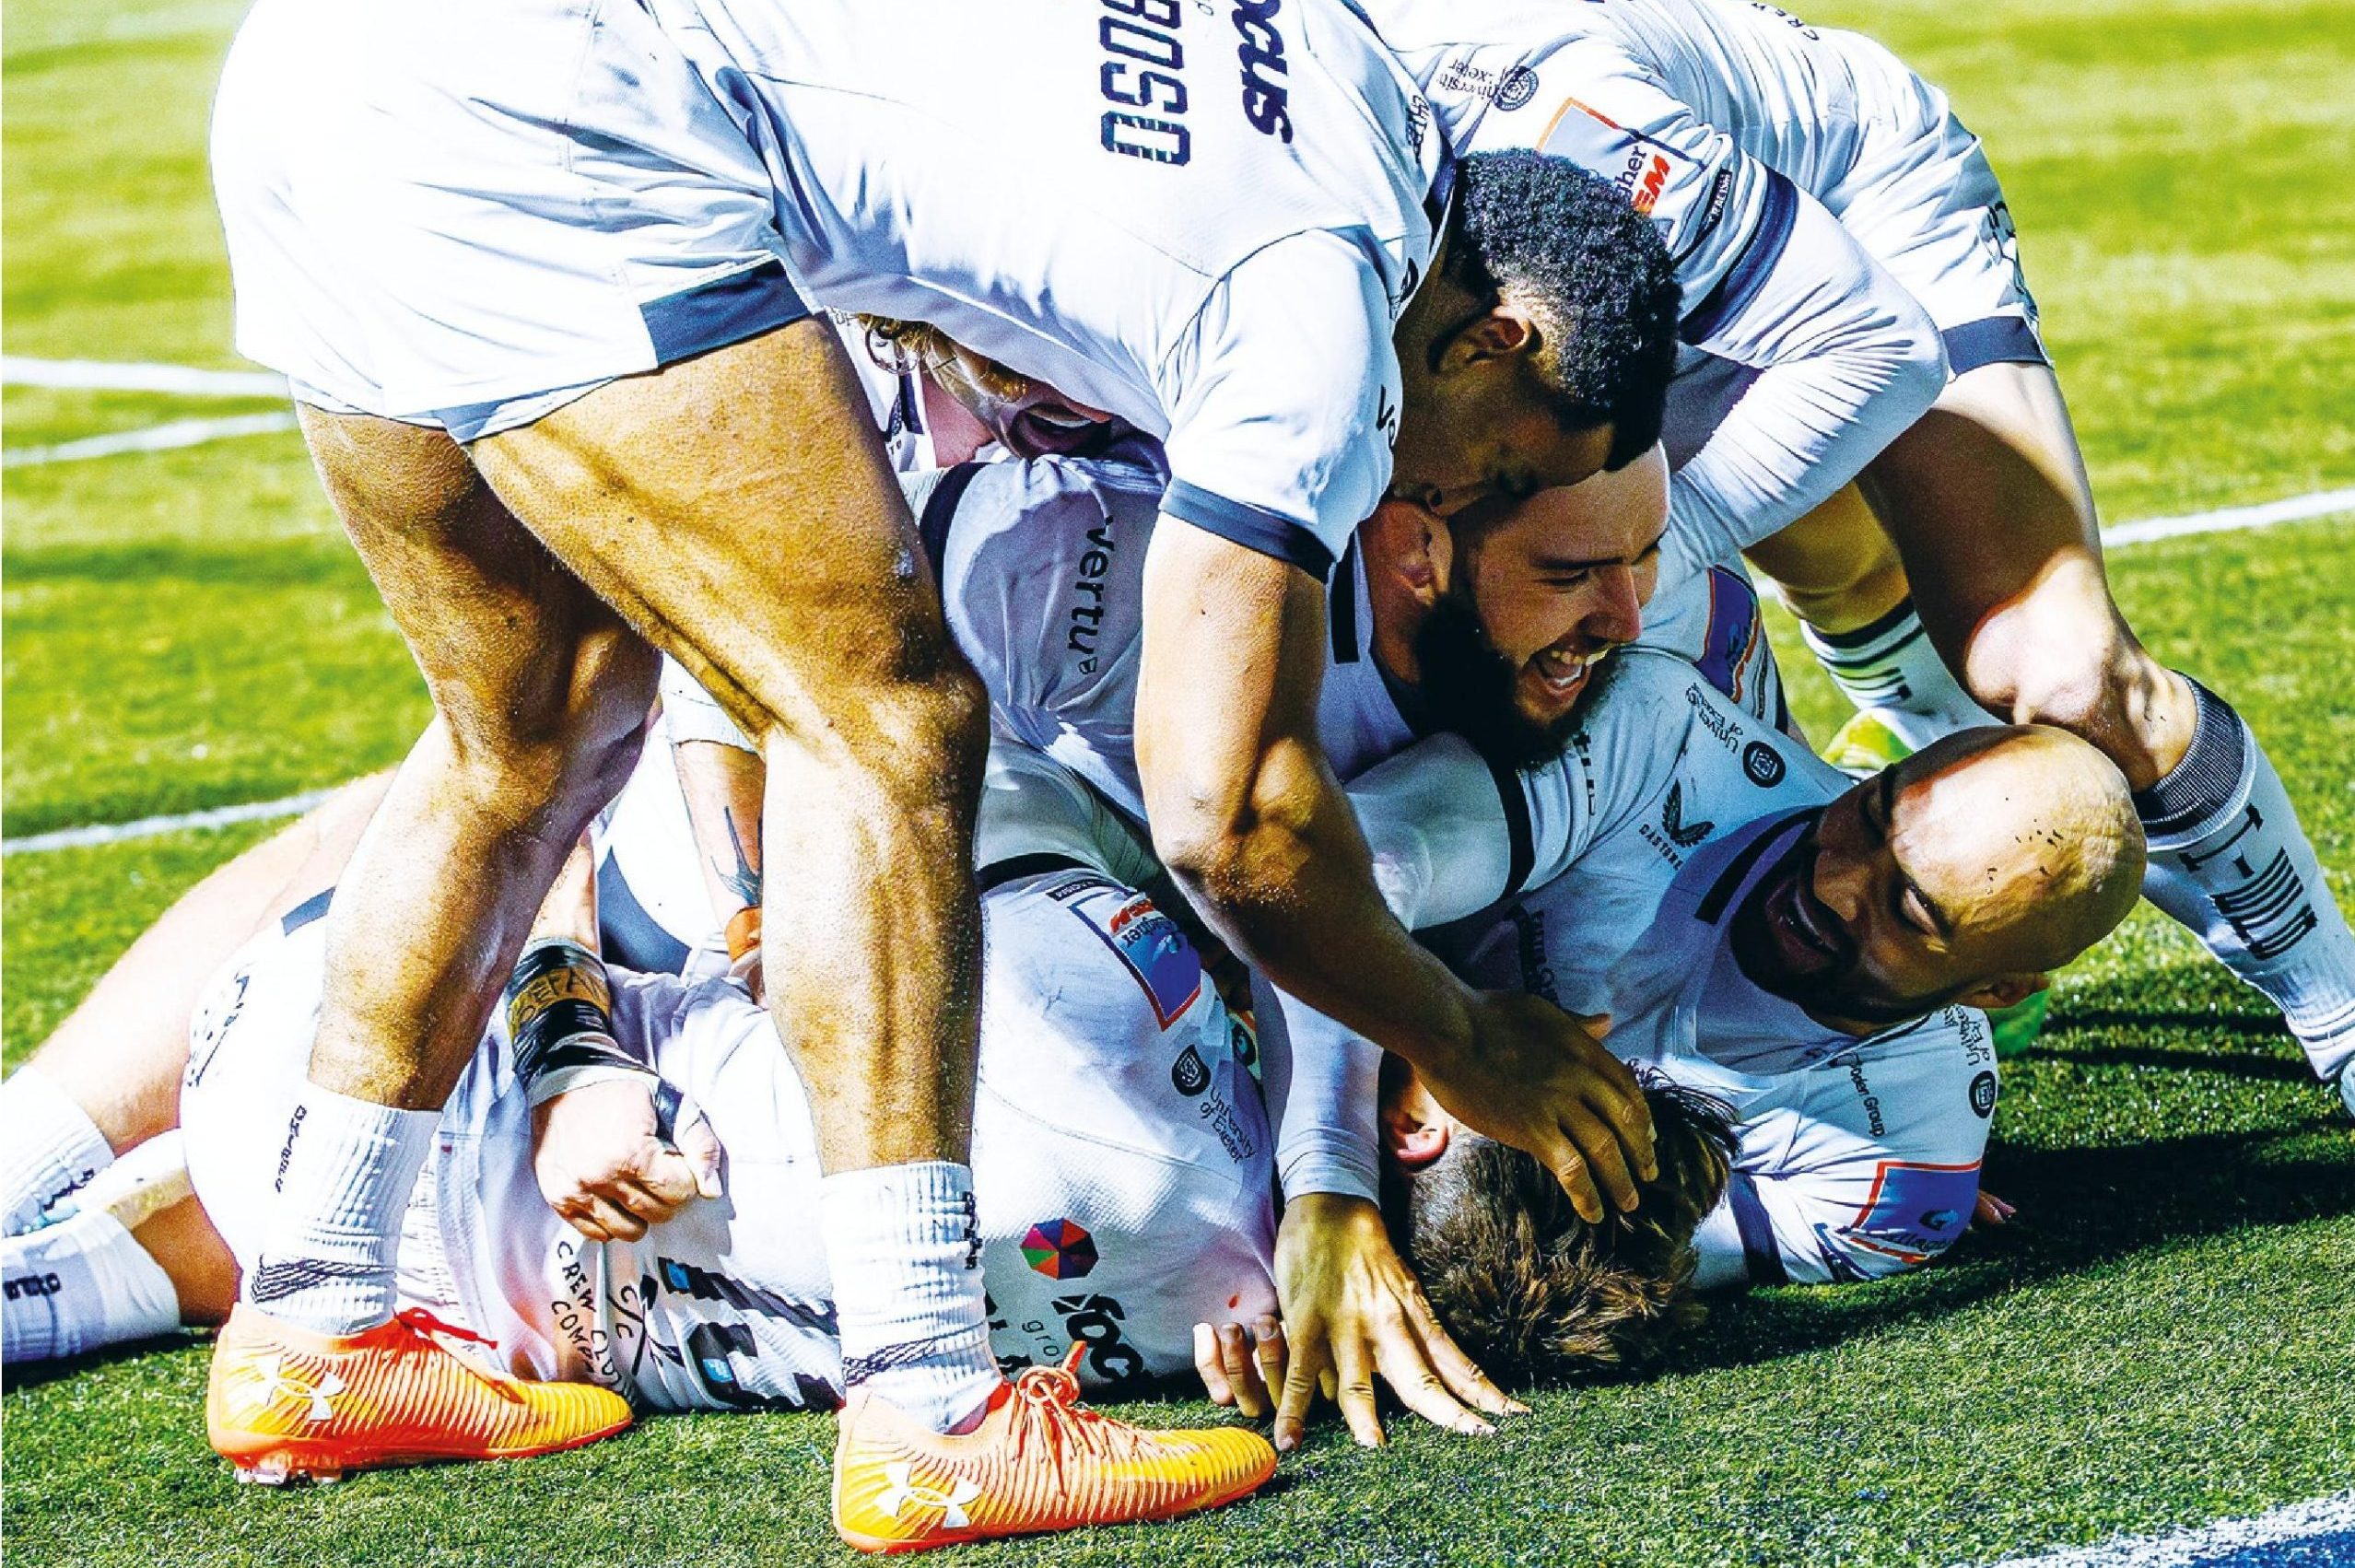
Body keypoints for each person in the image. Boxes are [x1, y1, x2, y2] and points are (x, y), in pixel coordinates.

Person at [211, 0, 1687, 1511]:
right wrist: (1463, 1033)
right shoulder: (1322, 319)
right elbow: (1228, 813)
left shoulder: (1346, 70)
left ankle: (319, 1313)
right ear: (1496, 338)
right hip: (561, 124)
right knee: (891, 722)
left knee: (531, 732)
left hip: (329, 76)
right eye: (1502, 461)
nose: (1446, 495)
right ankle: (931, 1401)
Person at [1356, 0, 2355, 1090]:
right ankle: (1931, 777)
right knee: (1707, 555)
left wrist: (1642, 553)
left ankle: (2338, 1009)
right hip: (1595, 284)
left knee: (2053, 665)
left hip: (1848, 218)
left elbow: (1874, 343)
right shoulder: (1262, 138)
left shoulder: (1543, 116)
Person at [1325, 669, 2144, 1301]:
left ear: (1996, 990)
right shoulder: (1659, 737)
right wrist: (1332, 1186)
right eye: (1870, 814)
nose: (1833, 883)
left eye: (1907, 911)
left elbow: (1549, 1259)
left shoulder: (1906, 1167)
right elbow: (1319, 869)